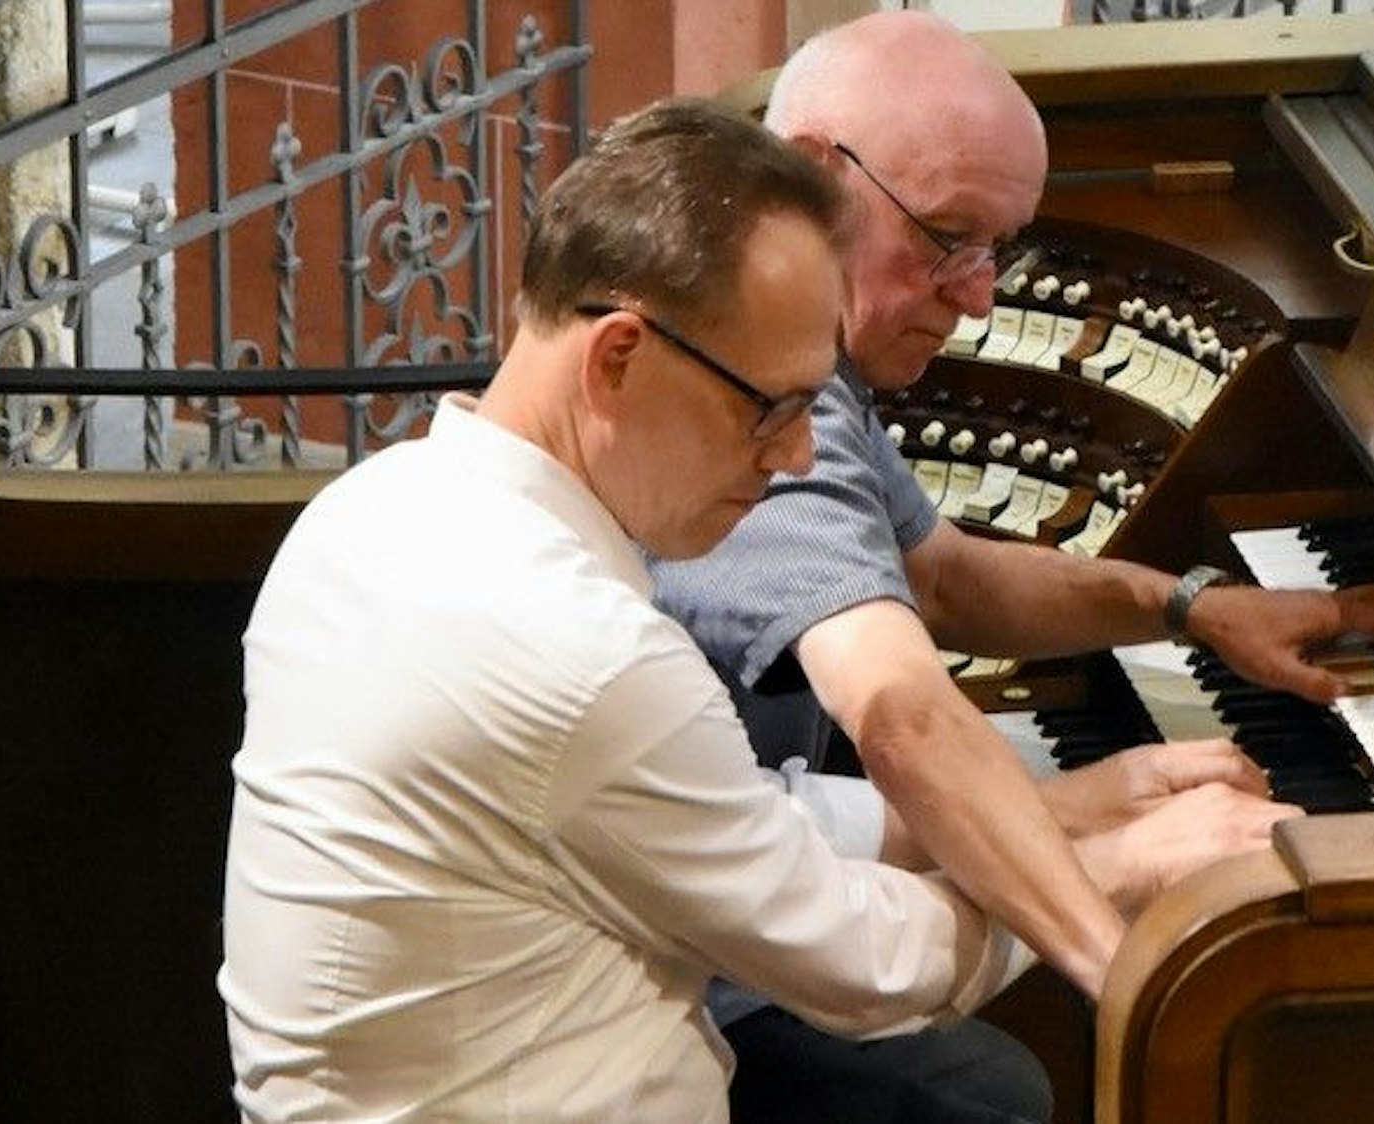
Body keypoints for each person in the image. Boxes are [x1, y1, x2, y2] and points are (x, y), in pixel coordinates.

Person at [219, 97, 1283, 1124]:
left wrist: (1075, 805)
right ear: (617, 357)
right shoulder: (584, 655)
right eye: (769, 407)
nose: (797, 454)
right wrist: (1125, 867)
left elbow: (743, 819)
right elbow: (861, 969)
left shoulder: (361, 515)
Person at [650, 11, 1374, 1123]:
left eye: (997, 250)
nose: (977, 297)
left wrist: (1190, 607)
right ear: (814, 175)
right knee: (998, 1090)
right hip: (688, 980)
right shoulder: (767, 404)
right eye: (946, 238)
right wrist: (1131, 975)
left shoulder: (797, 349)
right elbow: (901, 716)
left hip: (748, 848)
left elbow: (947, 579)